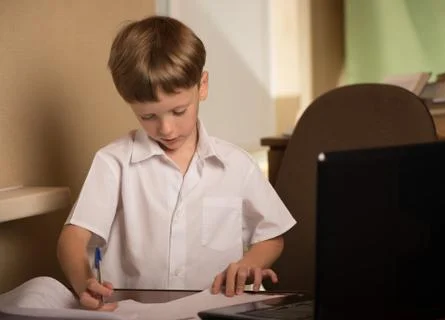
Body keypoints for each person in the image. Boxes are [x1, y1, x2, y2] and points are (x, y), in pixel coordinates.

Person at [57, 15, 296, 311]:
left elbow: (272, 236)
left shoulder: (236, 165)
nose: (166, 129)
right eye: (148, 117)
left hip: (213, 311)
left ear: (202, 86)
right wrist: (84, 283)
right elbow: (72, 238)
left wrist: (249, 264)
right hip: (135, 314)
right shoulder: (113, 162)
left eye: (179, 111)